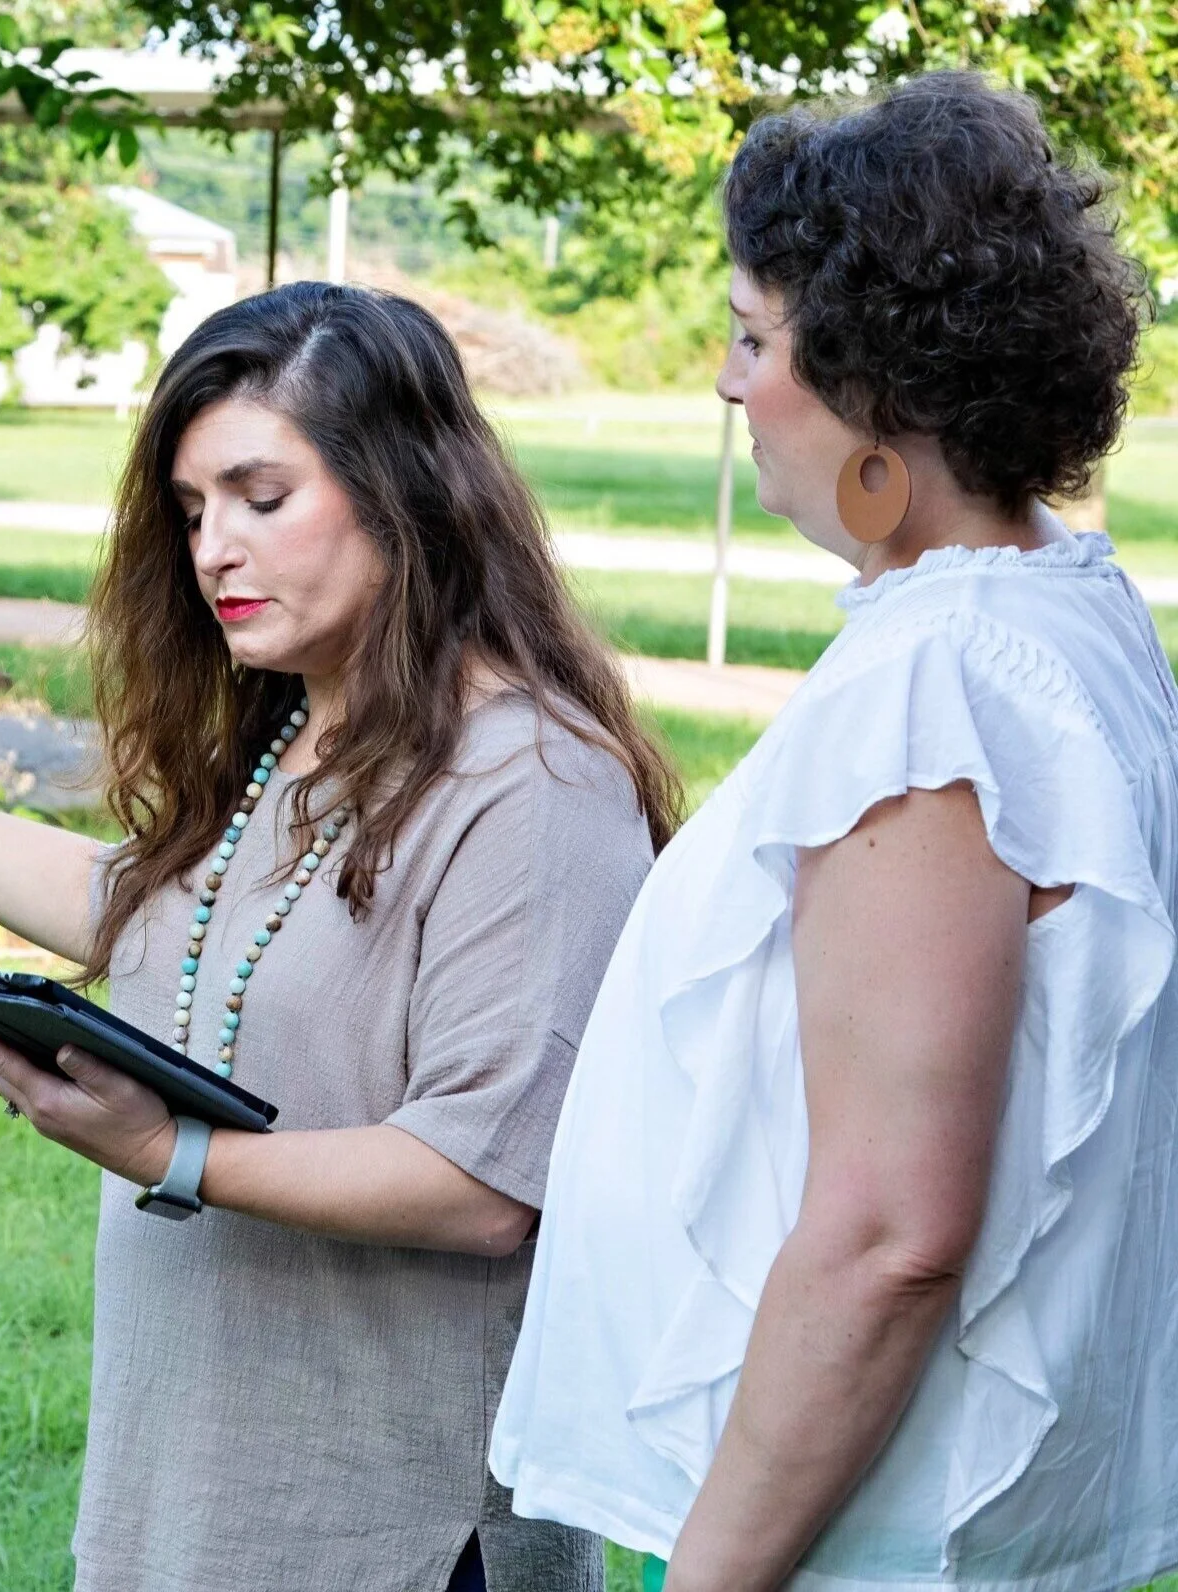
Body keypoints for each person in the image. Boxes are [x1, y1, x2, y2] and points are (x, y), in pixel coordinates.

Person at [0, 281, 681, 1592]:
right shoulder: (296, 734)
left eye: (262, 497)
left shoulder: (531, 778)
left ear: (405, 489)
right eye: (194, 511)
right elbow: (145, 910)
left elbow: (487, 1184)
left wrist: (171, 1152)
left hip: (403, 1541)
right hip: (195, 1515)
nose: (213, 550)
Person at [491, 72, 1178, 1592]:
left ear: (879, 389)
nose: (732, 386)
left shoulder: (939, 689)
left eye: (755, 338)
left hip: (862, 1541)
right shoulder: (1070, 611)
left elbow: (889, 1235)